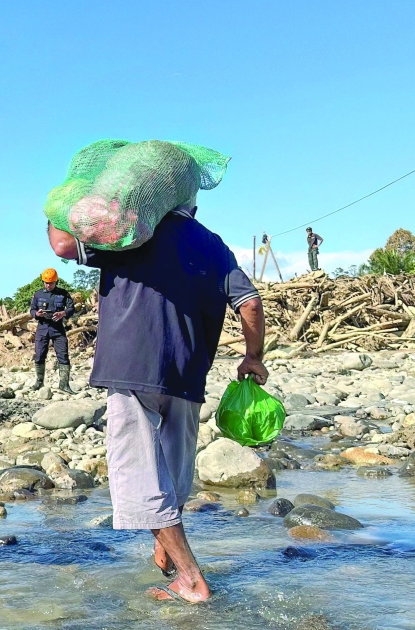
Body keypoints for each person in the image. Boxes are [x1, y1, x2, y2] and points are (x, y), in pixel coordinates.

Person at [47, 200, 267, 604]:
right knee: (174, 473)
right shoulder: (213, 244)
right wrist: (253, 357)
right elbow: (250, 303)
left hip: (132, 370)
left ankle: (191, 580)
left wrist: (60, 205)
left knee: (141, 476)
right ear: (193, 204)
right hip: (188, 375)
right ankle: (166, 548)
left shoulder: (129, 232)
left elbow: (62, 245)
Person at [29, 268, 76, 393]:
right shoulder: (38, 294)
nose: (48, 285)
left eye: (50, 283)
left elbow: (72, 308)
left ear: (56, 281)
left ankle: (64, 384)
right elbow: (32, 310)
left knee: (63, 356)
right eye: (45, 282)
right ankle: (39, 382)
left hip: (58, 328)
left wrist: (63, 313)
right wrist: (37, 314)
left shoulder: (63, 293)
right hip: (42, 327)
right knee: (39, 356)